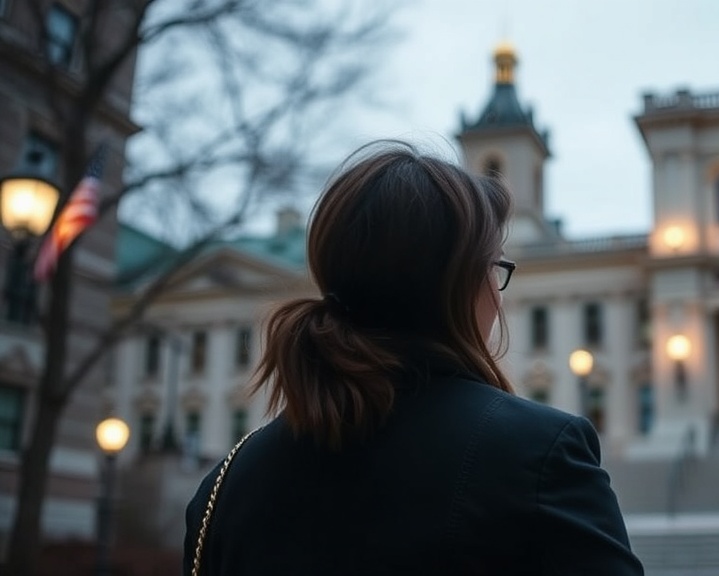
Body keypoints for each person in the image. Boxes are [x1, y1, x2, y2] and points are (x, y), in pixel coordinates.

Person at [182, 142, 643, 575]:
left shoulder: (225, 485)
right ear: (459, 283)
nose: (499, 301)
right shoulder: (541, 454)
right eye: (495, 268)